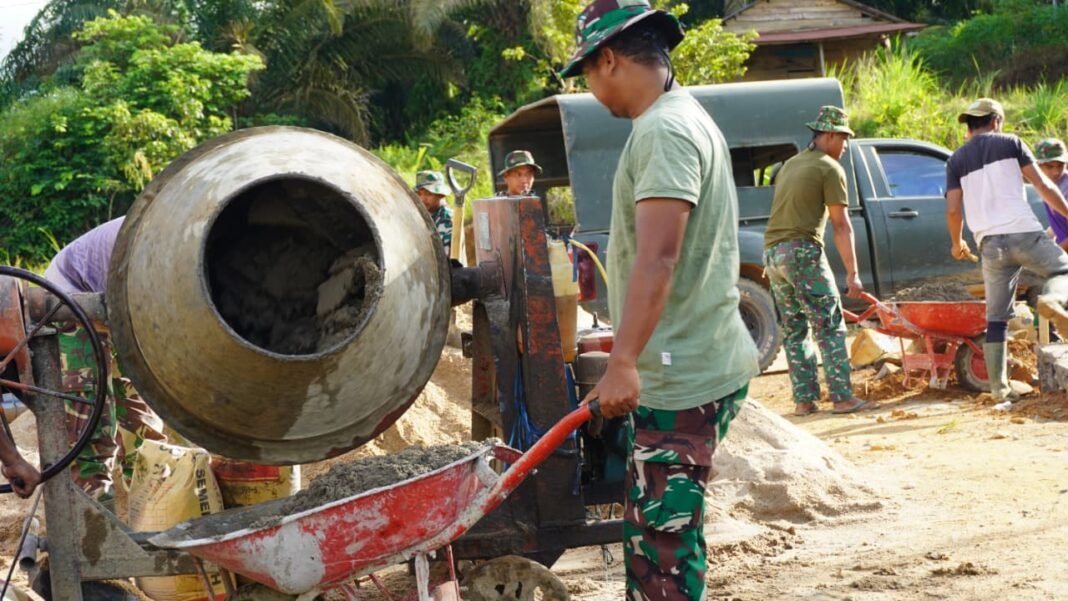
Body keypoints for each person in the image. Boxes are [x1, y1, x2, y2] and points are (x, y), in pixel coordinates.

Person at [561, 2, 759, 598]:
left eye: (586, 73)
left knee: (661, 548)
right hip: (684, 357)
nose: (590, 87)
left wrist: (624, 361)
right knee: (659, 532)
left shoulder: (664, 131)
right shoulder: (680, 116)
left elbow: (659, 257)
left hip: (681, 373)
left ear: (608, 60)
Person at [945, 98, 1068, 403]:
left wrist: (957, 242)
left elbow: (953, 209)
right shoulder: (1011, 143)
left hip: (989, 244)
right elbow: (1043, 185)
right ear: (996, 120)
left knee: (996, 317)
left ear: (970, 125)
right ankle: (1053, 300)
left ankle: (999, 390)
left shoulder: (955, 160)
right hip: (1023, 231)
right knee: (1062, 269)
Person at [44, 217, 167, 504]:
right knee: (92, 411)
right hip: (71, 296)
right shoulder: (157, 237)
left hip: (120, 305)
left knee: (138, 405)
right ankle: (95, 510)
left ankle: (152, 498)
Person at [763, 106, 871, 417]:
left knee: (795, 328)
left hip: (772, 254)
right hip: (801, 250)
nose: (846, 145)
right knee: (830, 324)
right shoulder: (829, 168)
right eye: (844, 138)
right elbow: (841, 225)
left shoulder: (791, 165)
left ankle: (804, 401)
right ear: (830, 135)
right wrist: (853, 273)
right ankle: (842, 398)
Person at [1035, 138, 1068, 251]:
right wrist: (1044, 239)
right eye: (1049, 167)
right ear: (1038, 166)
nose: (1056, 172)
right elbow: (1058, 223)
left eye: (1060, 165)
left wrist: (1057, 253)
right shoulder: (1046, 185)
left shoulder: (1066, 188)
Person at [413, 170, 453, 254]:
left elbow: (444, 257)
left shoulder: (447, 219)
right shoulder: (424, 216)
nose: (422, 199)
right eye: (419, 194)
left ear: (440, 195)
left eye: (428, 194)